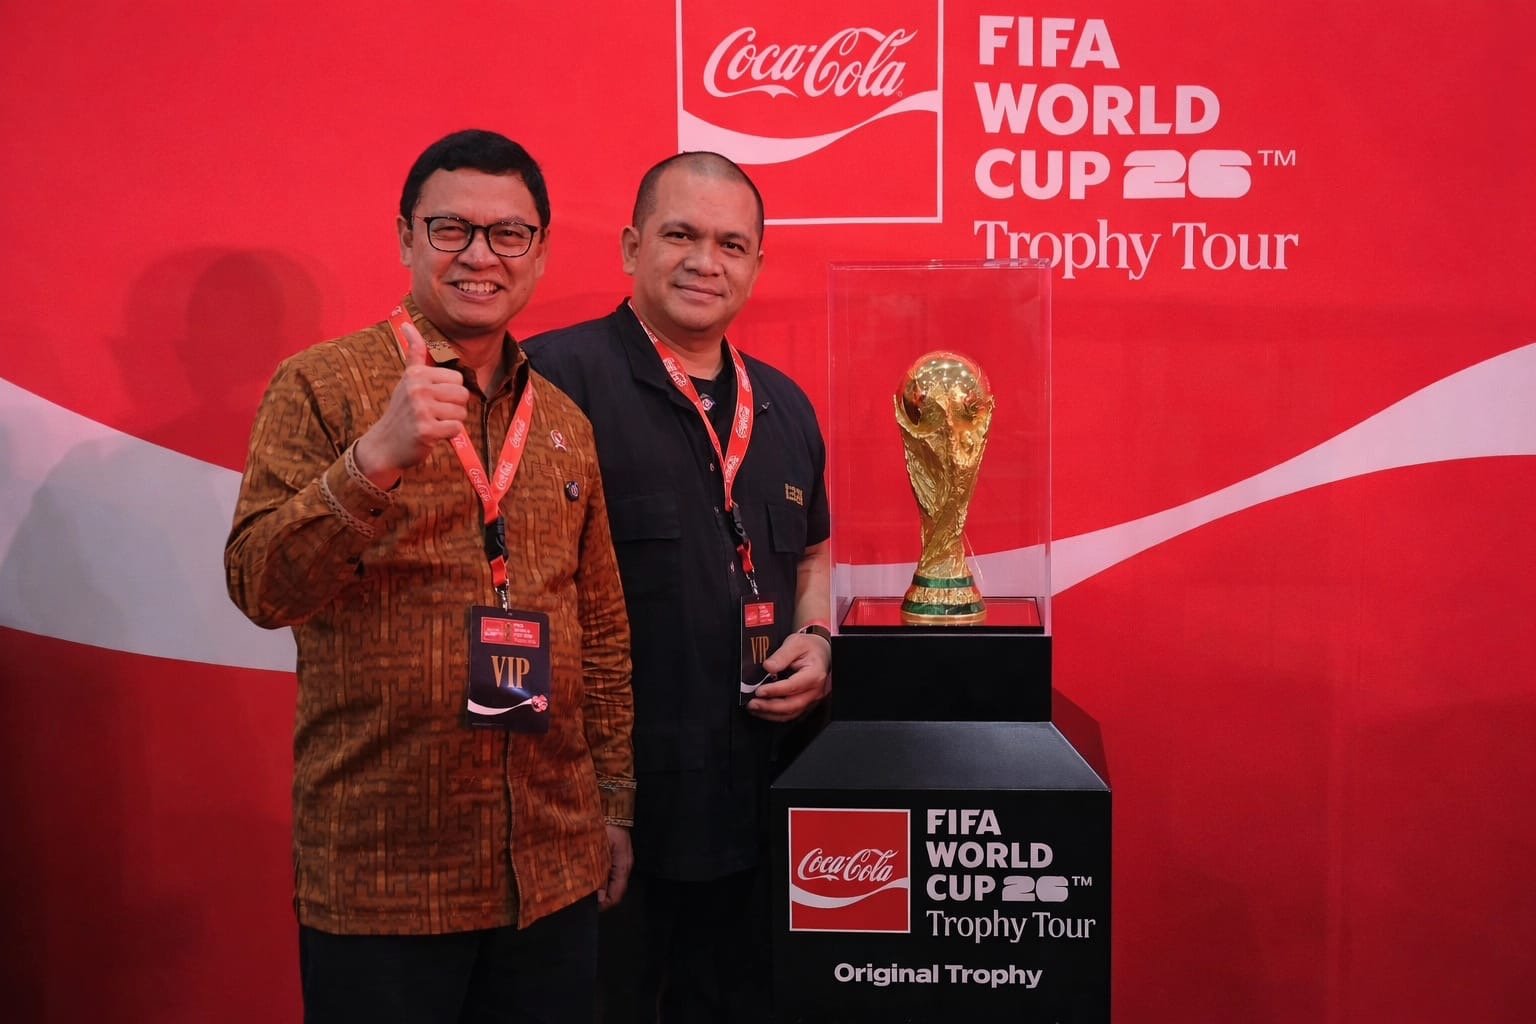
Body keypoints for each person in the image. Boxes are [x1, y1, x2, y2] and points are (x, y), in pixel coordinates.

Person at [225, 129, 634, 1024]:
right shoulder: (324, 386)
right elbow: (260, 585)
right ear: (406, 238)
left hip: (552, 871)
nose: (481, 256)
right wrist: (373, 459)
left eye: (509, 233)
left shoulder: (563, 420)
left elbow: (601, 629)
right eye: (452, 229)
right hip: (385, 876)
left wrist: (614, 804)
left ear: (540, 252)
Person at [523, 152, 831, 1023]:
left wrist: (819, 641)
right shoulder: (549, 382)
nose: (706, 262)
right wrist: (587, 803)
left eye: (731, 244)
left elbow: (814, 556)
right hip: (608, 816)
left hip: (757, 803)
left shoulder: (785, 407)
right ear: (632, 247)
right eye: (681, 235)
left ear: (758, 263)